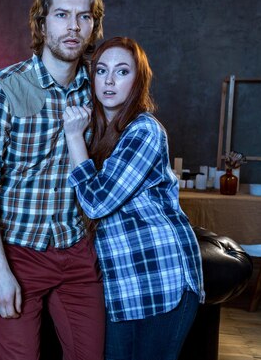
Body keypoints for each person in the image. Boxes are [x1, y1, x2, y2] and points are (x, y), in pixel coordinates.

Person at [0, 0, 106, 360]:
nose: (73, 27)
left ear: (94, 24)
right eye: (62, 14)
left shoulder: (100, 87)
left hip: (78, 249)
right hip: (20, 252)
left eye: (84, 16)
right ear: (41, 22)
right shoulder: (4, 89)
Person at [63, 36, 205, 360]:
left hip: (160, 277)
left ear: (137, 80)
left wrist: (72, 137)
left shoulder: (145, 130)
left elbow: (97, 202)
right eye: (102, 70)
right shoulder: (98, 134)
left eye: (122, 71)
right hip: (124, 288)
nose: (110, 80)